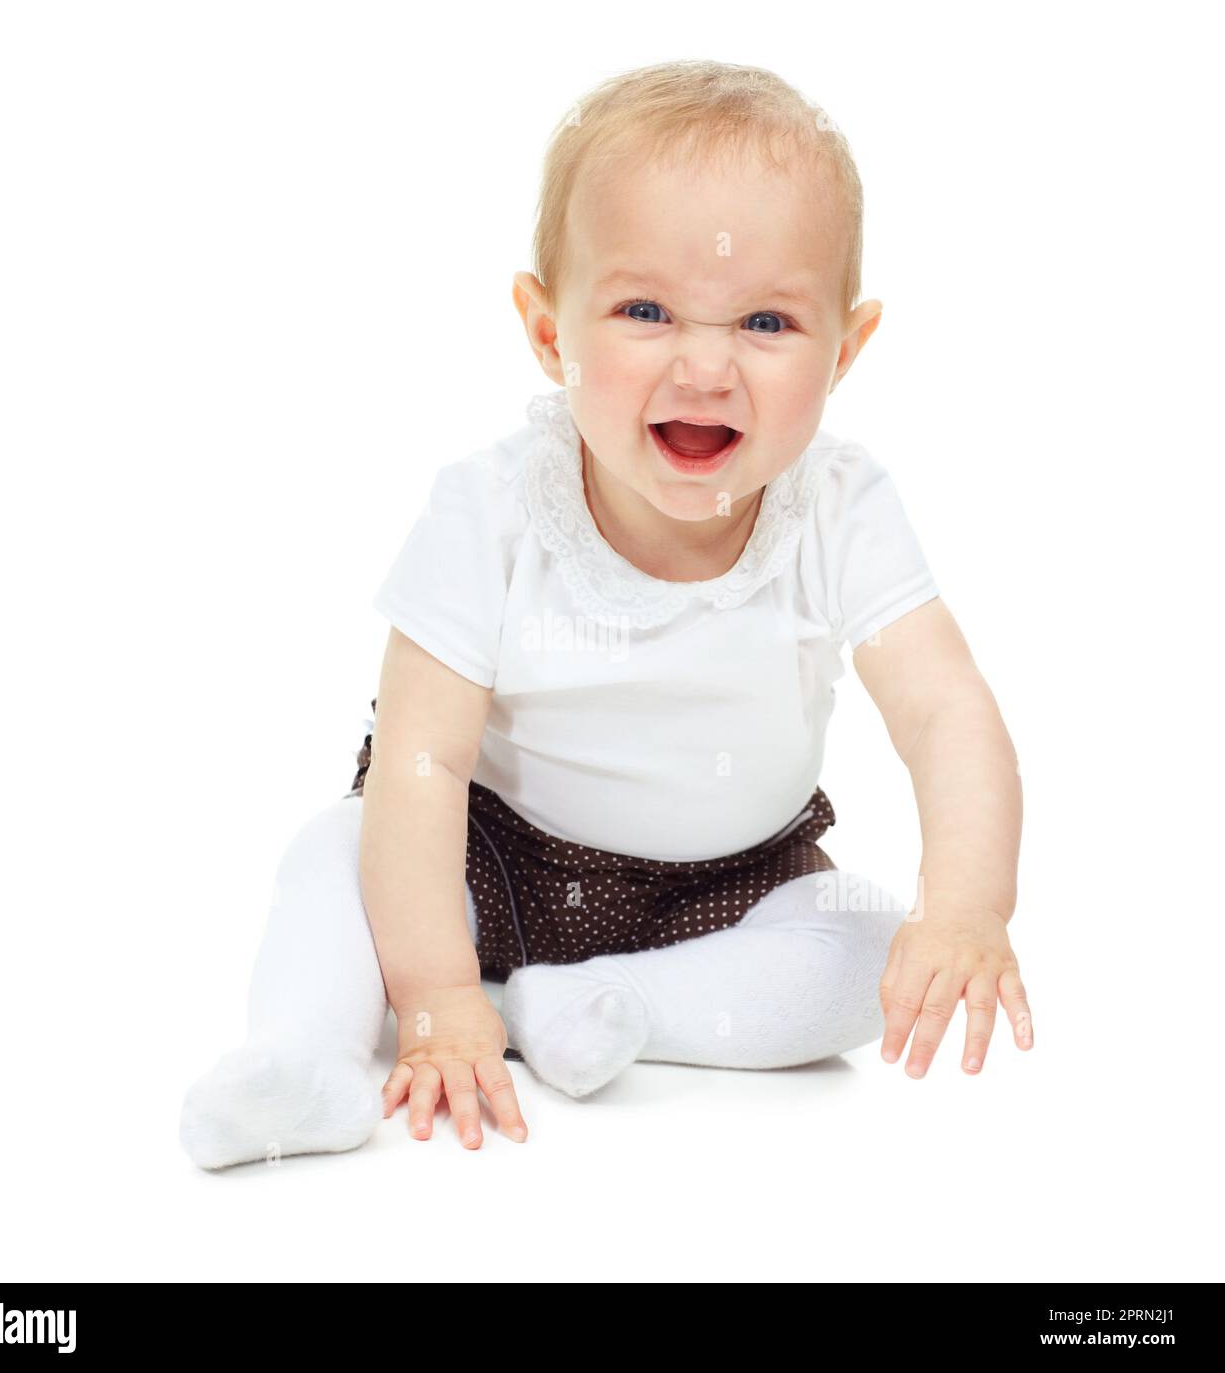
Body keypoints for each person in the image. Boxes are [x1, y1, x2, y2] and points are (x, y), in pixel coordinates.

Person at [180, 59, 1029, 1171]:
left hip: (732, 882)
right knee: (332, 853)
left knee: (864, 950)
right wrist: (433, 992)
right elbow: (421, 761)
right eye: (644, 311)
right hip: (487, 860)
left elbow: (944, 712)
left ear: (845, 349)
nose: (706, 363)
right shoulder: (488, 509)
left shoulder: (840, 506)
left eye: (767, 320)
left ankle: (604, 1004)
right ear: (547, 330)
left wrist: (963, 910)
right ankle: (303, 1056)